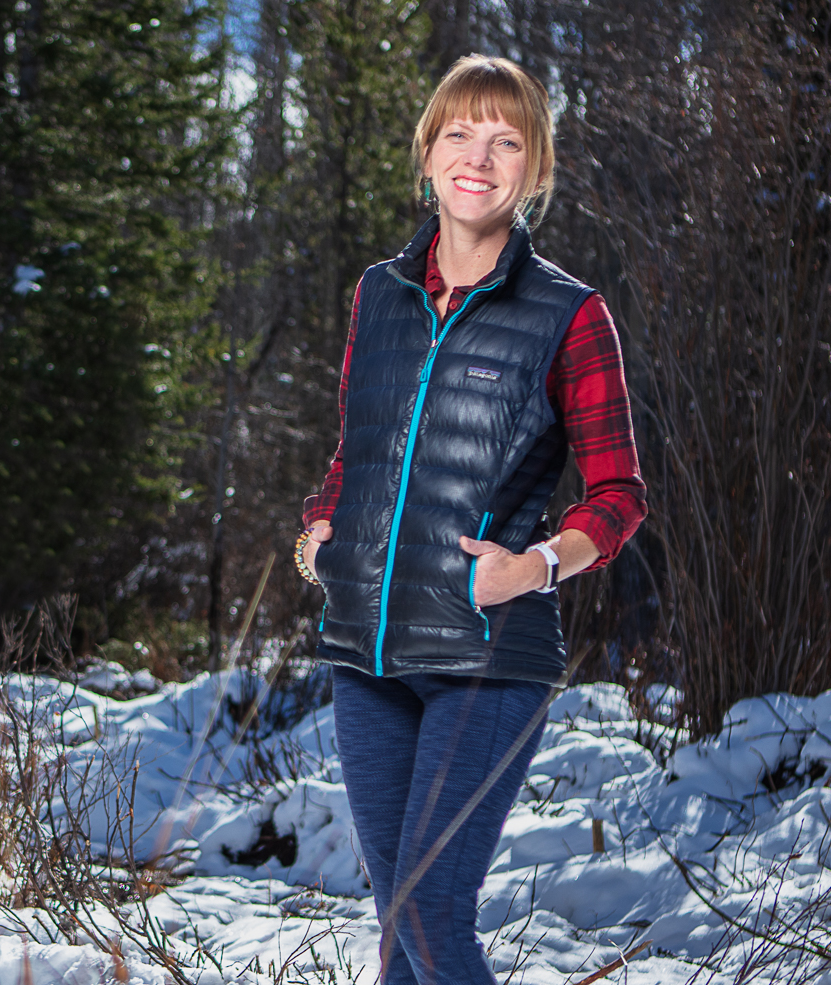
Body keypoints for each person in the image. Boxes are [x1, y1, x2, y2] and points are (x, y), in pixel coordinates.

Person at [291, 55, 647, 985]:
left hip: (489, 655)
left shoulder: (571, 315)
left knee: (429, 909)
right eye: (459, 134)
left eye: (506, 141)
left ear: (535, 168)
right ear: (427, 152)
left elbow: (618, 496)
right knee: (396, 922)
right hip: (366, 652)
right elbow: (358, 449)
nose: (478, 158)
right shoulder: (380, 293)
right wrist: (320, 531)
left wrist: (535, 565)